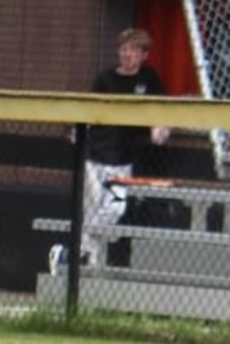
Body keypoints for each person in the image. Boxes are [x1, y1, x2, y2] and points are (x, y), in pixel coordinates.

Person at [72, 27, 169, 268]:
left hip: (123, 159)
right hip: (96, 157)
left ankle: (81, 246)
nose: (127, 55)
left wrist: (159, 126)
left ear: (144, 55)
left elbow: (161, 108)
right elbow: (89, 110)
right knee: (92, 206)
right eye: (124, 49)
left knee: (115, 207)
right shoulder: (105, 79)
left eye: (134, 51)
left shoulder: (149, 79)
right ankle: (87, 264)